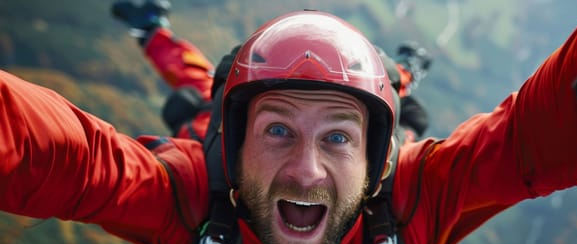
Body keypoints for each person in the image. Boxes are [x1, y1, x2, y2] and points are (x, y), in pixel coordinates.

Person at [0, 1, 577, 244]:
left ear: (377, 162)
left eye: (337, 138)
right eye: (276, 131)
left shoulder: (405, 198)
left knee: (376, 91)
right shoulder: (190, 192)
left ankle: (395, 78)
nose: (306, 170)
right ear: (233, 145)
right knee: (201, 93)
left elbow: (522, 142)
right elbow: (69, 159)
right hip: (222, 123)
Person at [111, 0, 432, 144]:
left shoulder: (209, 130)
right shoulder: (208, 129)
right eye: (278, 131)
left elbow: (187, 70)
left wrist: (152, 30)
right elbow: (381, 86)